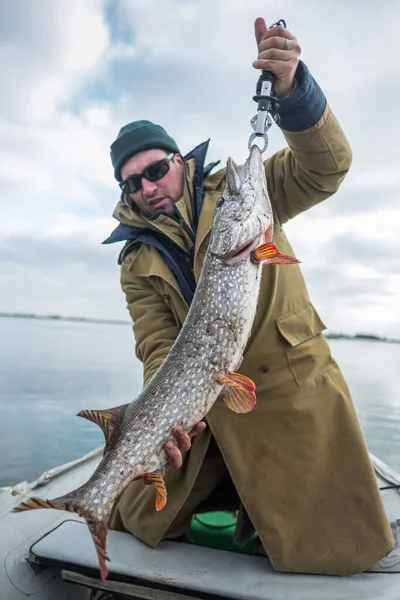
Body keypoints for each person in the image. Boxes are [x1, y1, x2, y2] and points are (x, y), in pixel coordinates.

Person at [103, 18, 395, 577]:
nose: (146, 187)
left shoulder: (245, 197)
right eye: (130, 183)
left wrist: (292, 92)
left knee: (329, 551)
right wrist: (169, 417)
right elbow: (157, 346)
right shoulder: (135, 262)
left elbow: (325, 166)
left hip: (288, 394)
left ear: (180, 162)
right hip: (205, 412)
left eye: (155, 169)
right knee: (130, 515)